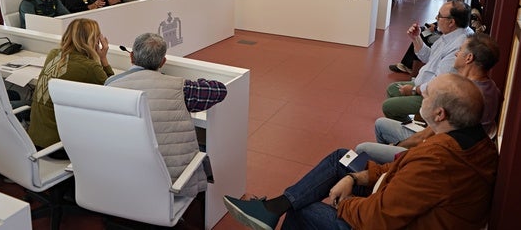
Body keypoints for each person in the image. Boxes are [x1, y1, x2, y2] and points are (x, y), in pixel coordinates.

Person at [224, 73, 498, 230]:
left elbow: (379, 217)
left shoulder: (440, 161)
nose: (421, 96)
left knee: (304, 210)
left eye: (427, 96)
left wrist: (343, 204)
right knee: (342, 158)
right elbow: (400, 170)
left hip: (385, 221)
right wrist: (356, 179)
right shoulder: (466, 140)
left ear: (439, 113)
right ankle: (273, 207)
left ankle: (280, 208)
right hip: (391, 197)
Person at [105, 32, 227, 197]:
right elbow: (219, 90)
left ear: (131, 57)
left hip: (125, 175)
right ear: (163, 62)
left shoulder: (110, 85)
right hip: (171, 181)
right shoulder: (181, 88)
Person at [358, 33, 502, 163]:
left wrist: (396, 148)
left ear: (469, 58)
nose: (457, 53)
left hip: (435, 152)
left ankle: (390, 170)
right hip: (441, 144)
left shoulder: (461, 95)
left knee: (362, 149)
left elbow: (423, 138)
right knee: (380, 124)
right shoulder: (492, 88)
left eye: (460, 50)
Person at [27, 18, 114, 157]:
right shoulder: (90, 67)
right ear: (94, 40)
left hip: (34, 138)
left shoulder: (54, 54)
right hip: (58, 146)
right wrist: (103, 59)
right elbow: (113, 91)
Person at [382, 0, 472, 122]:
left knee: (388, 107)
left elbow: (439, 85)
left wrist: (413, 90)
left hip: (434, 95)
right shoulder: (450, 35)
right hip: (425, 83)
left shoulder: (459, 46)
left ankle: (408, 131)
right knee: (392, 89)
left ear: (451, 22)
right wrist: (416, 38)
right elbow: (429, 57)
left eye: (440, 16)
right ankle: (409, 124)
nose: (436, 18)